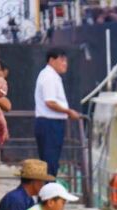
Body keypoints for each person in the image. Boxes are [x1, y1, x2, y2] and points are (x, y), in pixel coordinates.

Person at [34, 47, 80, 179]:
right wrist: (69, 111)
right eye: (62, 60)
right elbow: (50, 102)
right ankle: (48, 195)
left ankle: (48, 192)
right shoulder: (49, 76)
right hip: (49, 123)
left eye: (66, 60)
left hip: (51, 123)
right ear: (51, 60)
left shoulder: (51, 76)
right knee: (50, 162)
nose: (65, 64)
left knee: (50, 161)